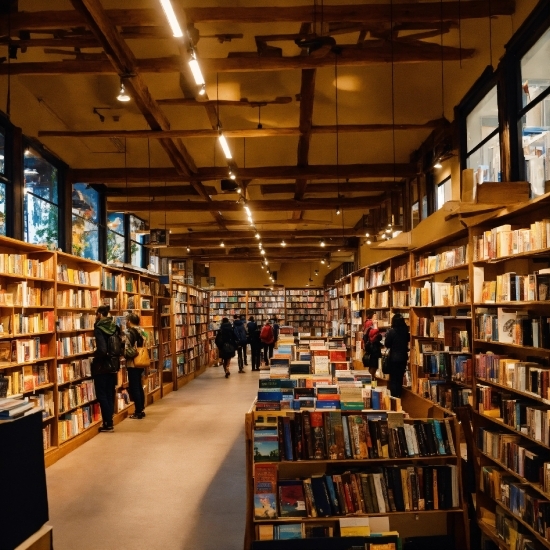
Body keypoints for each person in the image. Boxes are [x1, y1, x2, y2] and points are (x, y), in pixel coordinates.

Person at [92, 305, 119, 432]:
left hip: (102, 366)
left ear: (100, 314)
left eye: (96, 314)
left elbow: (102, 349)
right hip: (113, 365)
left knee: (101, 394)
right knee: (109, 393)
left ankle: (108, 424)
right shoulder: (114, 327)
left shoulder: (98, 328)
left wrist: (94, 355)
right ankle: (110, 421)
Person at [125, 313, 147, 419]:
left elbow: (127, 347)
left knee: (134, 386)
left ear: (129, 321)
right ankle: (141, 408)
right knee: (139, 385)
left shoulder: (129, 332)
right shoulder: (142, 331)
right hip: (141, 360)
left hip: (133, 362)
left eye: (126, 320)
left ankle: (138, 411)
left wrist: (124, 353)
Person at [384, 313, 410, 398]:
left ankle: (394, 398)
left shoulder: (391, 331)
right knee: (400, 377)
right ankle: (399, 396)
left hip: (394, 358)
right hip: (403, 357)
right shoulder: (405, 331)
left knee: (393, 379)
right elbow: (408, 341)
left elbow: (387, 344)